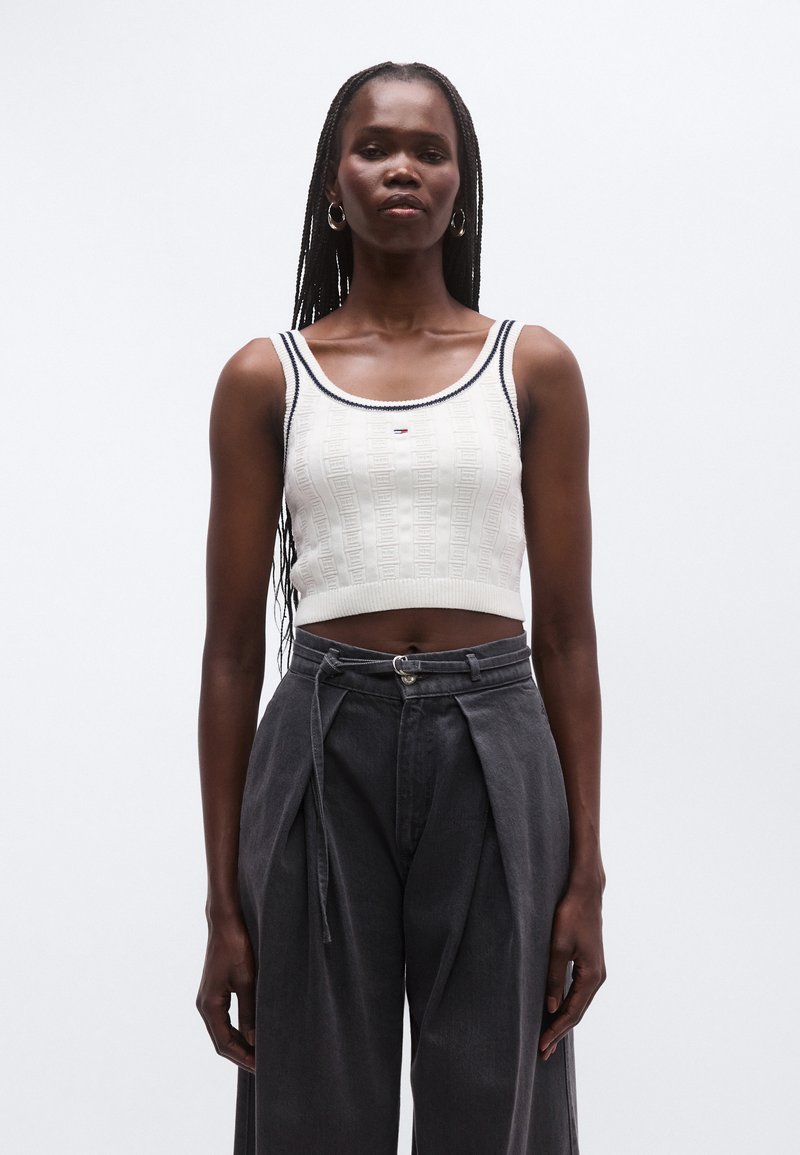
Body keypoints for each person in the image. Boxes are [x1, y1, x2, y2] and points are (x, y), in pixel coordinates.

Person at [195, 60, 606, 1155]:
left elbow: (567, 637)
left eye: (430, 151)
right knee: (309, 1112)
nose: (401, 169)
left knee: (496, 1106)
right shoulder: (267, 377)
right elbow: (230, 653)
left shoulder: (531, 367)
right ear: (333, 182)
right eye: (374, 147)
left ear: (461, 186)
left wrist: (585, 875)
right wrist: (222, 902)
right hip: (322, 742)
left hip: (495, 741)